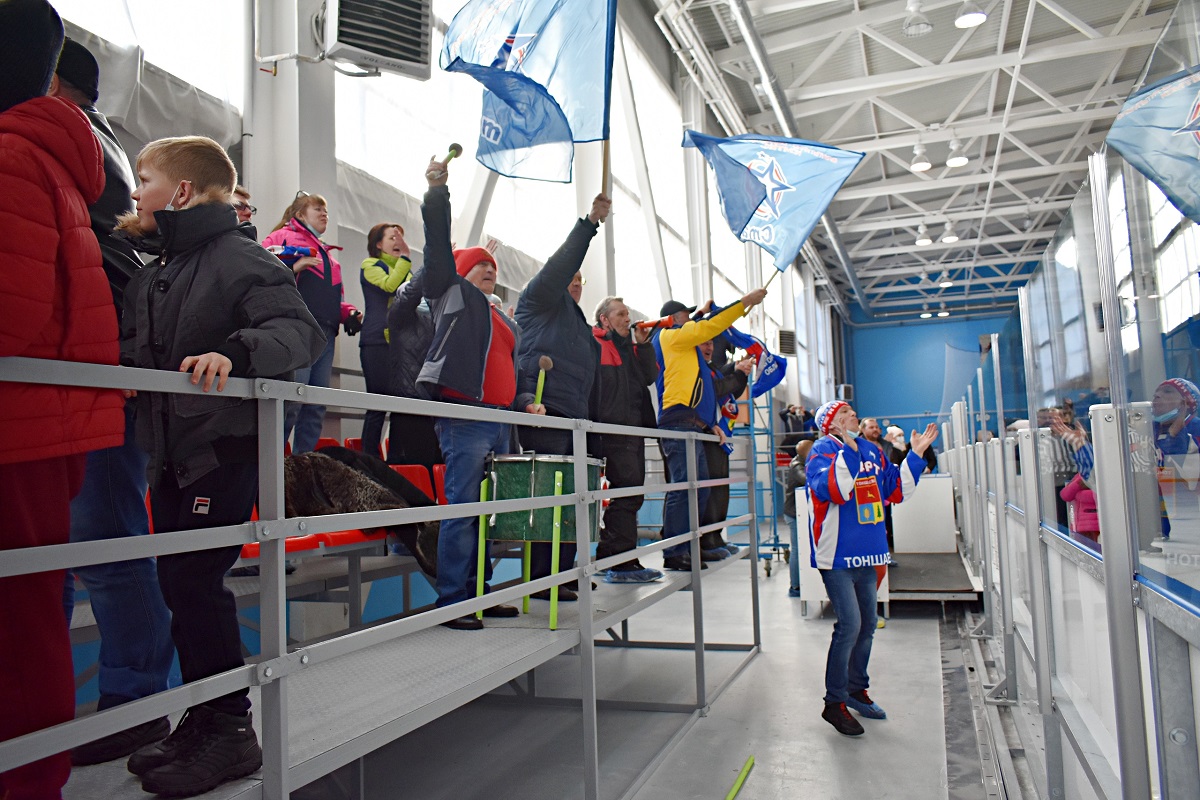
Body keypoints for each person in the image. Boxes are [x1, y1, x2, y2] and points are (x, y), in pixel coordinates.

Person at [116, 135, 325, 796]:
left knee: (195, 579)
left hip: (221, 449)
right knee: (178, 581)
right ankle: (204, 715)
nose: (135, 193)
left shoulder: (240, 257)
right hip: (170, 454)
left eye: (143, 180)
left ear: (179, 192)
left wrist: (236, 352)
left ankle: (231, 729)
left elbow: (299, 332)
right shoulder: (155, 271)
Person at [0, 3, 126, 795]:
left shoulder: (12, 157)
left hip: (17, 432)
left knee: (21, 628)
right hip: (38, 430)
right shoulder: (46, 161)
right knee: (27, 619)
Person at [50, 36, 176, 766]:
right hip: (87, 365)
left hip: (94, 368)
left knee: (101, 535)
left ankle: (134, 702)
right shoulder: (97, 147)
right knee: (79, 542)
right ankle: (109, 701)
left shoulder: (78, 145)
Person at [416, 155, 534, 630]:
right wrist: (438, 190)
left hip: (501, 420)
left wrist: (525, 402)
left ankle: (479, 593)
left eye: (492, 267)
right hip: (465, 416)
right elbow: (436, 247)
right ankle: (453, 601)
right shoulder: (451, 294)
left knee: (490, 515)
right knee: (463, 509)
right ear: (461, 272)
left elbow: (512, 368)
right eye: (480, 266)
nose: (489, 271)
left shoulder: (501, 316)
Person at [807, 400, 937, 737]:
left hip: (869, 554)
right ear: (831, 423)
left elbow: (895, 489)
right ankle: (833, 703)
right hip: (837, 556)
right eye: (846, 413)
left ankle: (855, 690)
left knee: (867, 626)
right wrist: (848, 452)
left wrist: (916, 455)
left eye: (853, 412)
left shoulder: (872, 449)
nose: (854, 415)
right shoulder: (821, 451)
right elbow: (832, 490)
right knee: (849, 626)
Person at [514, 193, 610, 601]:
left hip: (576, 418)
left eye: (579, 280)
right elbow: (559, 265)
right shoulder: (537, 301)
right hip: (546, 411)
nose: (574, 281)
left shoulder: (581, 327)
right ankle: (541, 580)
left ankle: (565, 572)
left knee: (574, 498)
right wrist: (589, 223)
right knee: (547, 499)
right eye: (569, 276)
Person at [654, 290, 767, 571]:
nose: (691, 320)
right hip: (678, 423)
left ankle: (689, 547)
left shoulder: (690, 354)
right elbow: (706, 328)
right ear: (672, 319)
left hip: (693, 424)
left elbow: (706, 391)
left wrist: (709, 422)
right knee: (686, 490)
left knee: (697, 490)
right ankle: (675, 551)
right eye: (686, 316)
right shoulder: (672, 337)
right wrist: (743, 304)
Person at [262, 191, 362, 452]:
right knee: (291, 401)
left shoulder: (329, 256)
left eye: (326, 210)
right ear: (299, 214)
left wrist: (348, 312)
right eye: (317, 208)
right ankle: (274, 465)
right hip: (297, 329)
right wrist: (293, 268)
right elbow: (262, 277)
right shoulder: (281, 237)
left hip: (326, 333)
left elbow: (333, 299)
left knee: (316, 404)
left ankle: (303, 465)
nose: (324, 214)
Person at [592, 296, 662, 583]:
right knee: (626, 492)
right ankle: (617, 561)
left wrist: (643, 344)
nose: (628, 319)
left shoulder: (629, 348)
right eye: (621, 314)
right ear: (604, 319)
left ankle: (619, 558)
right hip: (611, 431)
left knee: (632, 494)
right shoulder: (595, 344)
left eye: (628, 314)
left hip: (632, 431)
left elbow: (649, 377)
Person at [359, 222, 413, 458]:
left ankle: (396, 458)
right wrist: (406, 259)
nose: (398, 242)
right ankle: (369, 458)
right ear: (378, 244)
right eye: (392, 238)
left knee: (402, 404)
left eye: (400, 237)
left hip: (402, 345)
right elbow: (390, 286)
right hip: (376, 342)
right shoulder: (370, 265)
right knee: (378, 401)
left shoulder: (406, 269)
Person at [698, 338, 753, 559]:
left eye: (711, 343)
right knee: (709, 487)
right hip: (705, 433)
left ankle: (715, 535)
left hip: (719, 434)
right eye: (704, 343)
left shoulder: (712, 368)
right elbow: (716, 388)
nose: (709, 346)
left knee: (720, 487)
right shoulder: (695, 369)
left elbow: (730, 391)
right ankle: (706, 538)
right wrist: (737, 373)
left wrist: (739, 372)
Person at [386, 270, 442, 468]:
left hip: (435, 406)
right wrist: (431, 263)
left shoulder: (437, 322)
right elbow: (409, 296)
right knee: (418, 467)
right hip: (410, 404)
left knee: (436, 467)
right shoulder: (400, 319)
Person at [784, 439, 814, 597]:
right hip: (794, 513)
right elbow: (807, 480)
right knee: (796, 550)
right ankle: (795, 586)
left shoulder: (803, 463)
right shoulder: (797, 465)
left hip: (798, 513)